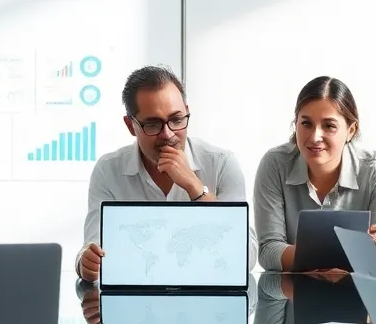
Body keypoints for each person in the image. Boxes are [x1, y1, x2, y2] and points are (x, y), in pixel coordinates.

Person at [77, 66, 257, 281]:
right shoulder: (109, 170)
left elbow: (247, 257)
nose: (167, 134)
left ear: (187, 111)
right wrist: (85, 264)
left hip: (208, 299)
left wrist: (195, 187)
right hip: (137, 302)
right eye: (152, 124)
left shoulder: (221, 163)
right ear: (130, 125)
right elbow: (94, 248)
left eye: (177, 120)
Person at [252, 76, 376, 272]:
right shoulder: (275, 164)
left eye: (329, 126)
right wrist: (348, 252)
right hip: (292, 295)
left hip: (356, 296)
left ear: (351, 130)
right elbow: (269, 252)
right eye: (306, 124)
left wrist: (313, 256)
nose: (315, 136)